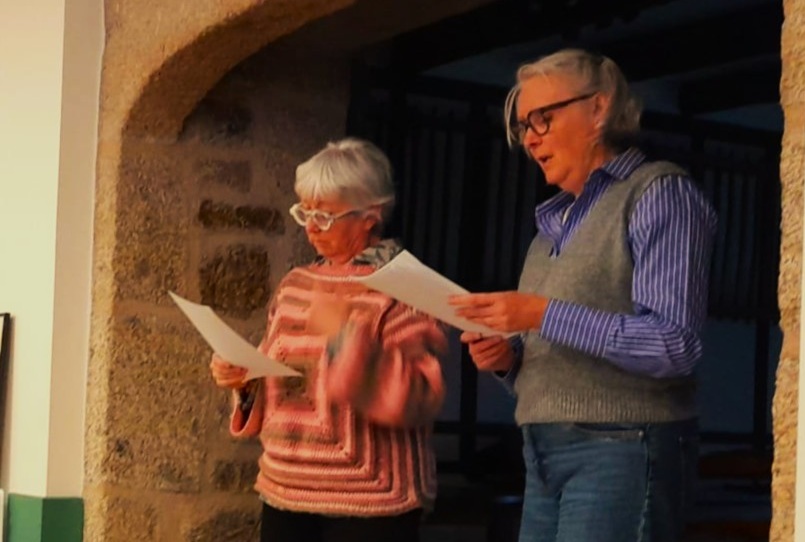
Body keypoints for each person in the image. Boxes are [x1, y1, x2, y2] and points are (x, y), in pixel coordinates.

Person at [449, 48, 717, 542]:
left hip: (624, 445)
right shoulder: (550, 228)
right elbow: (559, 359)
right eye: (523, 126)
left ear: (598, 108)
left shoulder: (657, 192)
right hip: (541, 451)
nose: (530, 138)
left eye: (543, 118)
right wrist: (507, 360)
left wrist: (540, 312)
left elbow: (674, 345)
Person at [210, 137, 447, 542]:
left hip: (371, 500)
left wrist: (345, 337)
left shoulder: (408, 287)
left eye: (325, 216)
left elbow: (421, 397)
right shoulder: (295, 285)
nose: (311, 228)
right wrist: (243, 378)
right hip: (284, 488)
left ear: (371, 216)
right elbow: (282, 378)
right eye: (305, 212)